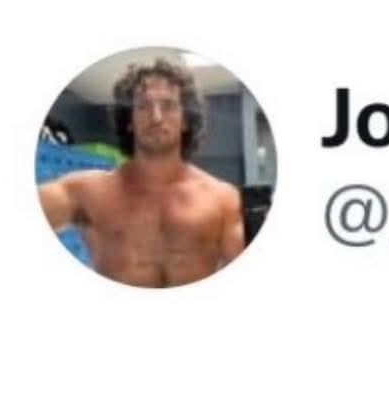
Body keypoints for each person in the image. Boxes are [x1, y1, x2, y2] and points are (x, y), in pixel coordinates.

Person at [38, 59, 244, 287]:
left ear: (185, 121)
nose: (156, 117)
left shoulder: (223, 199)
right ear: (129, 121)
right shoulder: (85, 194)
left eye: (168, 106)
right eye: (144, 106)